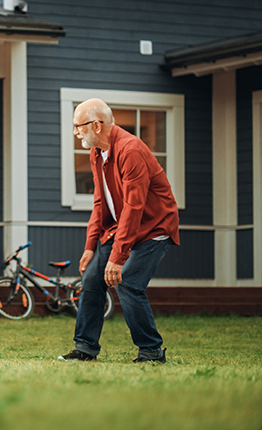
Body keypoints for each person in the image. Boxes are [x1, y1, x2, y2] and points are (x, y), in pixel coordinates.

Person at [59, 98, 179, 363]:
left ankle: (151, 350)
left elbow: (134, 207)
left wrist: (117, 257)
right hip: (121, 227)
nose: (76, 132)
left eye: (79, 126)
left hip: (152, 228)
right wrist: (91, 246)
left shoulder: (131, 149)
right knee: (92, 280)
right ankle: (85, 348)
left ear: (97, 126)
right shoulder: (97, 153)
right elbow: (100, 202)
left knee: (127, 282)